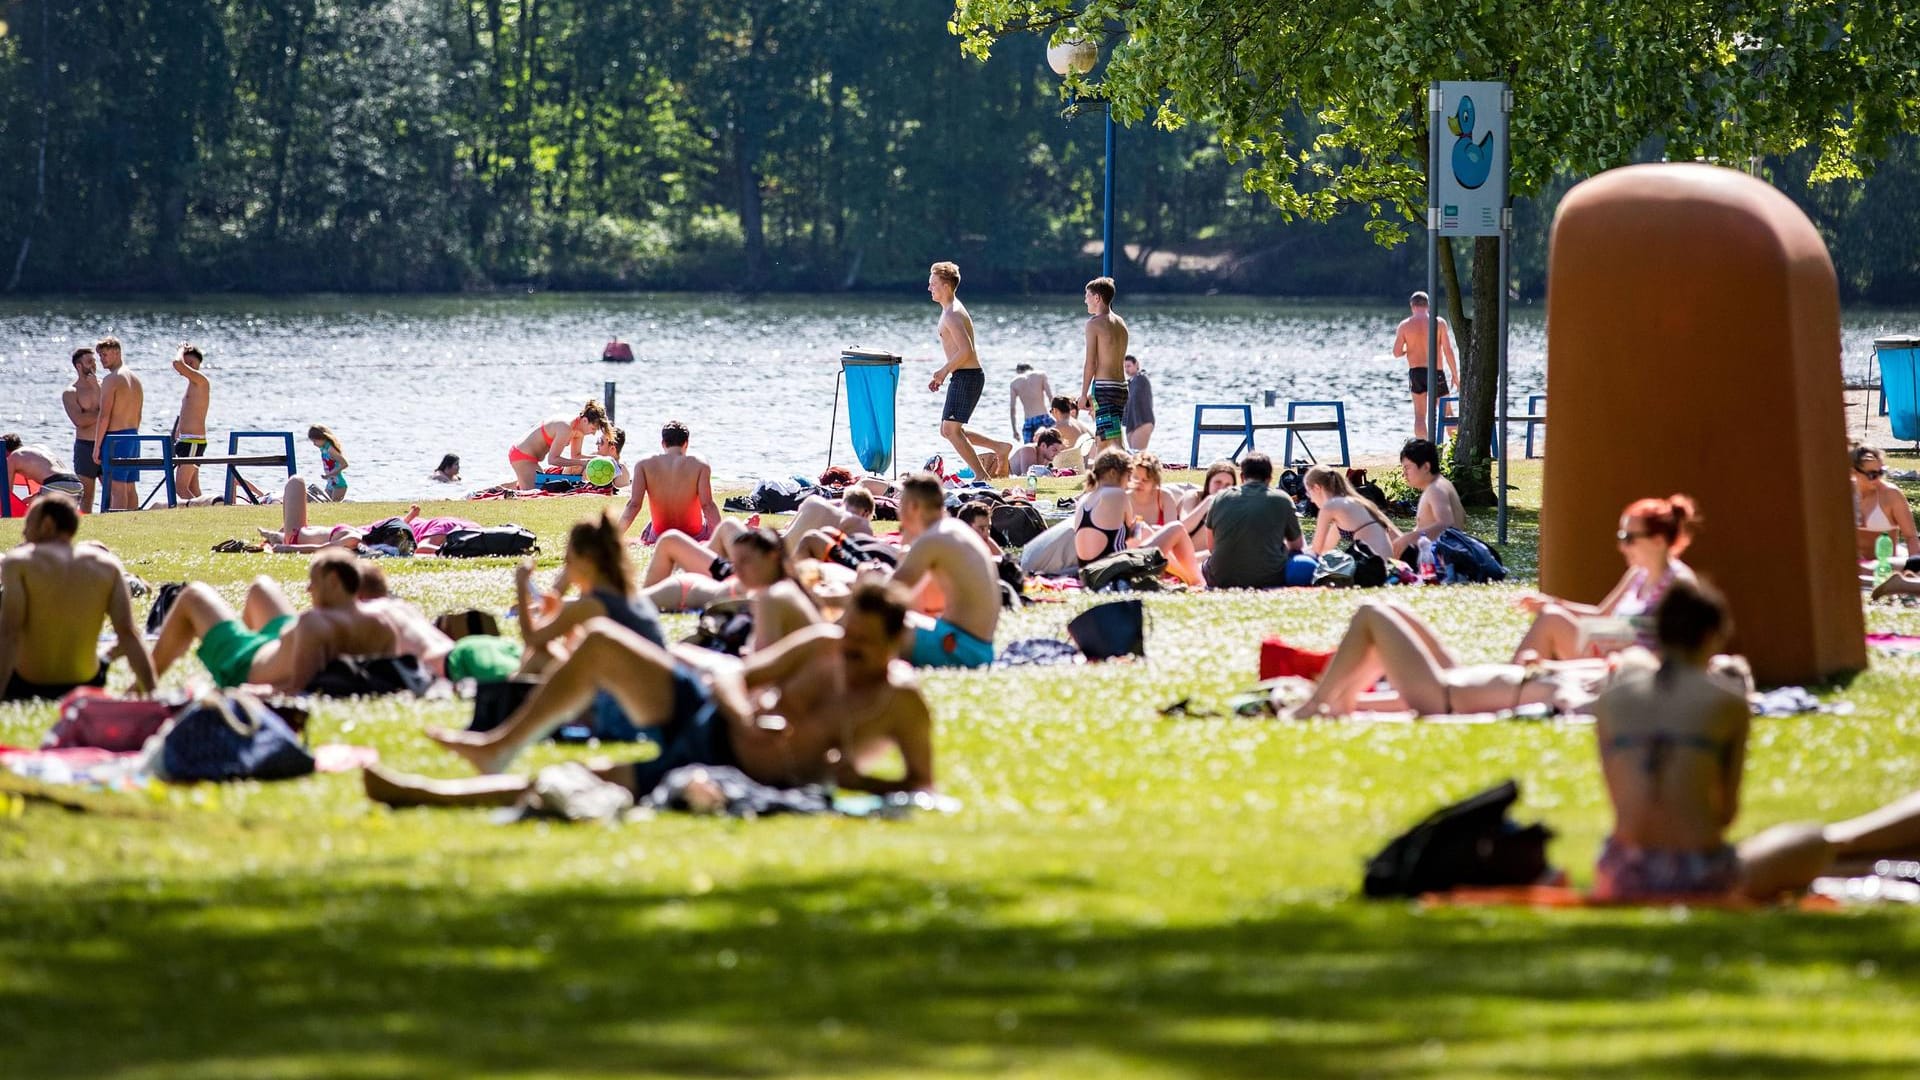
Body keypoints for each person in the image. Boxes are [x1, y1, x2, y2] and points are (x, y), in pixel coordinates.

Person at [371, 581, 934, 801]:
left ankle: (423, 795)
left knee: (575, 786)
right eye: (846, 635)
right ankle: (499, 743)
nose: (847, 649)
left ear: (895, 644)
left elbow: (920, 784)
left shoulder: (902, 705)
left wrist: (845, 775)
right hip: (712, 713)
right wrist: (744, 715)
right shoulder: (822, 643)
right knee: (597, 641)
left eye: (861, 644)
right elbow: (740, 675)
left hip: (719, 761)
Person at [1284, 599, 1602, 719]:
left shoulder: (1583, 694)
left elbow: (1575, 707)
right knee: (1392, 609)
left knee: (1371, 614)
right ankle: (1345, 702)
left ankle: (1315, 704)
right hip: (1458, 681)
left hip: (1447, 695)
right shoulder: (1599, 672)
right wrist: (1550, 666)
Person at [151, 550, 403, 692]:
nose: (308, 589)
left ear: (334, 581)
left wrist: (246, 692)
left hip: (247, 663)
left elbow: (297, 689)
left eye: (313, 581)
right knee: (262, 587)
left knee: (193, 595)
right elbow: (389, 676)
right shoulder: (382, 625)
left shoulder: (313, 624)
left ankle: (142, 684)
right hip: (279, 643)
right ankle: (238, 634)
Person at [0, 494, 156, 700]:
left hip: (28, 684)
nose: (23, 532)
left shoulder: (18, 563)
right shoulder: (108, 565)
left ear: (47, 525)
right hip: (88, 683)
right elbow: (128, 634)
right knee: (112, 649)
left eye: (28, 523)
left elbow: (10, 633)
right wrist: (154, 694)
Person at [1513, 494, 1698, 661]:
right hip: (1609, 654)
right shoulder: (1637, 574)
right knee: (1551, 617)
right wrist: (1549, 603)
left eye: (1629, 538)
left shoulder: (1680, 583)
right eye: (1621, 536)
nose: (1622, 547)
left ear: (1658, 541)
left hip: (1636, 672)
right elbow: (1602, 614)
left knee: (1537, 666)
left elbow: (1682, 650)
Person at [514, 512, 666, 683]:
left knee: (539, 656)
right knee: (545, 653)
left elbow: (532, 638)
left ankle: (506, 701)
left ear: (586, 561)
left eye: (568, 561)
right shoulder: (622, 591)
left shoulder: (592, 604)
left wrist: (521, 585)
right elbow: (574, 647)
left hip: (632, 694)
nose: (566, 569)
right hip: (648, 687)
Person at [645, 527, 822, 651]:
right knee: (628, 604)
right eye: (735, 563)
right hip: (684, 589)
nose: (737, 570)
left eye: (745, 562)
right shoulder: (770, 592)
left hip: (693, 590)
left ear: (773, 556)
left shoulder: (780, 591)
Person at [891, 471, 1002, 667]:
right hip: (978, 646)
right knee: (906, 619)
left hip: (961, 648)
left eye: (900, 504)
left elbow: (889, 595)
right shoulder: (953, 528)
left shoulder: (932, 539)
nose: (898, 512)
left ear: (913, 507)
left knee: (875, 623)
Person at [923, 261, 1012, 480]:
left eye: (933, 284)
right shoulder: (949, 311)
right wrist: (946, 373)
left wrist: (942, 372)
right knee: (948, 430)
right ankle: (999, 447)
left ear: (946, 286)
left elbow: (966, 350)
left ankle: (982, 477)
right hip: (963, 375)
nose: (929, 288)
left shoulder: (953, 313)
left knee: (951, 430)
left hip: (967, 376)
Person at [1073, 449, 1202, 586]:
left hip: (1088, 574)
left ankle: (1187, 577)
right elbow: (1135, 535)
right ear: (1113, 473)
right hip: (1111, 573)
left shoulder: (1085, 499)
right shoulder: (1118, 495)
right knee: (1176, 529)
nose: (1129, 483)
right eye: (1128, 476)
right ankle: (1196, 580)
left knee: (1145, 529)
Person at [1201, 452, 1303, 589]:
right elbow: (1297, 545)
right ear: (1269, 478)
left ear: (1242, 477)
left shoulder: (1220, 498)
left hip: (1220, 577)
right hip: (1270, 578)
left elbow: (1212, 547)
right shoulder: (1283, 499)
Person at [618, 420, 721, 543]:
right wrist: (722, 538)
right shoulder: (700, 464)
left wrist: (613, 535)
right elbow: (708, 505)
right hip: (694, 535)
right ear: (686, 443)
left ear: (663, 443)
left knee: (651, 524)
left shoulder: (643, 464)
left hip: (660, 536)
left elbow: (634, 505)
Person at [1391, 291, 1459, 441]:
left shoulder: (1404, 325)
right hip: (1436, 372)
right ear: (1428, 305)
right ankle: (1456, 447)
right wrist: (1455, 374)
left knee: (1420, 416)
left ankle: (1425, 448)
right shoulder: (1439, 323)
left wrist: (1408, 349)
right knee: (1447, 413)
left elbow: (1396, 352)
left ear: (1412, 306)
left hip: (1416, 373)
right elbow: (1448, 350)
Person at [90, 336, 144, 511]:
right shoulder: (135, 379)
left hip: (116, 439)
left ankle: (119, 524)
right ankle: (133, 522)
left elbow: (104, 415)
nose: (102, 359)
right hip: (133, 436)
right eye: (100, 356)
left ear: (117, 352)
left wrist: (97, 446)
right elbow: (139, 414)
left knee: (117, 488)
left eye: (105, 354)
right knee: (129, 486)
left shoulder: (111, 379)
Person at [1389, 438, 1467, 558]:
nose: (1404, 473)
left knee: (1376, 526)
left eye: (1407, 467)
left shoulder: (1436, 489)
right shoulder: (1441, 484)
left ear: (1426, 467)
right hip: (1432, 552)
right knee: (1380, 523)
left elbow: (1446, 524)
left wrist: (1408, 539)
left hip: (1434, 558)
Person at [1303, 464, 1401, 557]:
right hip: (1385, 562)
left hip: (1375, 566)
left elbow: (1317, 549)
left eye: (1308, 493)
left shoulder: (1330, 506)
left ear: (1316, 488)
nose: (1311, 499)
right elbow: (1326, 547)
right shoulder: (1348, 503)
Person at [508, 401, 608, 491]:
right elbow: (552, 459)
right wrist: (583, 463)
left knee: (534, 486)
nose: (594, 433)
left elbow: (576, 456)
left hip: (531, 459)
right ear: (585, 420)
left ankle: (496, 489)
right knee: (532, 495)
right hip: (522, 455)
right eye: (593, 428)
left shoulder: (579, 430)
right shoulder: (566, 427)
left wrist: (599, 458)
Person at [1079, 277, 1130, 455]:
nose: (1085, 300)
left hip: (1105, 388)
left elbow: (1091, 363)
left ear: (1097, 298)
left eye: (1087, 295)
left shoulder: (1094, 324)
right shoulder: (1121, 323)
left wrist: (1083, 394)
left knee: (1104, 442)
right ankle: (1124, 477)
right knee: (1115, 439)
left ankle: (1107, 480)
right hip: (1121, 388)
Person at [1850, 445, 1918, 560]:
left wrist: (1914, 567)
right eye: (1872, 475)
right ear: (1854, 472)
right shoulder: (1844, 492)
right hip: (1849, 566)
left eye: (1881, 472)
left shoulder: (1891, 495)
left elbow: (1911, 537)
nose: (1878, 479)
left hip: (1884, 567)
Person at [61, 346, 102, 511]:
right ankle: (87, 526)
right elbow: (79, 421)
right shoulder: (71, 392)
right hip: (84, 446)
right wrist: (102, 414)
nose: (94, 365)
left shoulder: (104, 385)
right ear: (79, 366)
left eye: (94, 361)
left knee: (114, 490)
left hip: (105, 443)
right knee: (87, 495)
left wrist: (97, 389)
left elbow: (113, 412)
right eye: (90, 361)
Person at [170, 344, 211, 501]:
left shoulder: (201, 381)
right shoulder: (191, 385)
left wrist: (181, 349)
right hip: (186, 441)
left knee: (181, 488)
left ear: (199, 363)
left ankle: (202, 511)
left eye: (190, 363)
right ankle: (208, 512)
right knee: (193, 488)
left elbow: (177, 364)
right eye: (186, 362)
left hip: (193, 441)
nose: (186, 367)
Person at [1, 435, 85, 505]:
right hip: (76, 483)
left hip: (55, 483)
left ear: (4, 451)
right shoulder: (39, 448)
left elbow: (7, 494)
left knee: (36, 514)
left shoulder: (13, 457)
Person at [1180, 460, 1238, 553]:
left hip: (1213, 559)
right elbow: (1183, 527)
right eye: (1218, 482)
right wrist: (1208, 502)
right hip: (1187, 557)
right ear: (1208, 483)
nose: (1222, 488)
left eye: (1227, 485)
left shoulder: (1234, 506)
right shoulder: (1194, 496)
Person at [1126, 451, 1184, 528]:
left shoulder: (1164, 497)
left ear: (1155, 482)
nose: (1139, 483)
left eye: (1145, 480)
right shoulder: (1124, 499)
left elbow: (1173, 531)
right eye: (1135, 478)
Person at [1009, 363, 1055, 443]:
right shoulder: (1041, 375)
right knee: (1052, 447)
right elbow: (1050, 397)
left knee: (1029, 451)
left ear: (1018, 371)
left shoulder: (1014, 383)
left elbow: (1013, 409)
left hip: (1029, 422)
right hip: (1044, 418)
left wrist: (1014, 430)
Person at [309, 424, 349, 502]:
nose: (314, 444)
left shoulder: (330, 449)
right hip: (330, 483)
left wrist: (330, 474)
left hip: (338, 484)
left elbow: (344, 464)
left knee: (333, 504)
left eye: (315, 441)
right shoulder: (323, 449)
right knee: (325, 504)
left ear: (322, 437)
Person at [1122, 354, 1154, 451]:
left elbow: (1142, 374)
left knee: (1137, 454)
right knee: (1133, 454)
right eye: (1125, 367)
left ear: (1136, 365)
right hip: (1131, 422)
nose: (1126, 369)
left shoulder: (1141, 379)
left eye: (1129, 366)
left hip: (1143, 421)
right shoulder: (1129, 383)